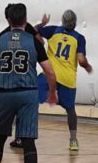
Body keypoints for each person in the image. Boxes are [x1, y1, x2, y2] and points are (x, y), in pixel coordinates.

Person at [0, 3, 57, 163]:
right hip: (27, 94)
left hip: (5, 94)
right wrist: (52, 92)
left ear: (8, 20)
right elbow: (49, 71)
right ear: (25, 19)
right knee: (28, 140)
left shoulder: (0, 40)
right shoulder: (34, 41)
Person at [37, 10, 93, 152]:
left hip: (49, 76)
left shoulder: (53, 30)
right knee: (70, 110)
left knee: (29, 100)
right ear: (75, 22)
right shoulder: (79, 38)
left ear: (62, 21)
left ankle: (22, 135)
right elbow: (81, 60)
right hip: (67, 79)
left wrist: (42, 26)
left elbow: (34, 30)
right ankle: (73, 140)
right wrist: (88, 66)